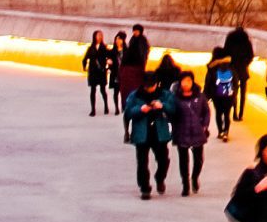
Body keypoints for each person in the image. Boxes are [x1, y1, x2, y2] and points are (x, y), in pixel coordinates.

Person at [124, 65, 172, 199]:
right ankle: (145, 188)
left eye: (151, 85)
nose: (149, 88)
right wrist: (140, 109)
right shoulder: (135, 95)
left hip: (159, 132)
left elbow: (173, 108)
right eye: (146, 86)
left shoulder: (164, 94)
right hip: (142, 133)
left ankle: (159, 177)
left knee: (164, 160)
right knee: (142, 162)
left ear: (157, 84)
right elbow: (128, 111)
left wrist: (162, 106)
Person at [167, 63, 211, 196]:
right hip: (181, 132)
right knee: (183, 160)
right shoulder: (175, 98)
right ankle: (185, 184)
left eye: (189, 81)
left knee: (199, 160)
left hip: (197, 132)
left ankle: (194, 177)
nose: (186, 83)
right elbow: (170, 114)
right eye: (184, 81)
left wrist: (204, 125)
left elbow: (206, 112)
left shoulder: (200, 96)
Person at [222, 20, 256, 118]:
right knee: (243, 92)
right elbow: (251, 55)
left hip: (232, 68)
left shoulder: (230, 40)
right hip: (243, 68)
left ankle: (235, 111)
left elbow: (225, 52)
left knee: (233, 91)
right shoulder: (246, 41)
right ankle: (241, 113)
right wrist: (246, 63)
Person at [83, 30, 114, 116]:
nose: (100, 37)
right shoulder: (91, 48)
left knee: (103, 90)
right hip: (93, 71)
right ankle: (93, 109)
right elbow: (85, 58)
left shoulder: (104, 47)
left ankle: (106, 106)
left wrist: (109, 66)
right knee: (93, 90)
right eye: (98, 35)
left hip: (101, 71)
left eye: (101, 35)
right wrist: (84, 67)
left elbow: (110, 57)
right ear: (94, 37)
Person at [208, 56, 237, 141]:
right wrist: (234, 94)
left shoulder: (214, 70)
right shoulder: (232, 70)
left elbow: (210, 82)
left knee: (218, 114)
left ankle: (220, 132)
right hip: (229, 96)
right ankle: (226, 133)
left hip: (217, 96)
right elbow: (235, 83)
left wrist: (211, 94)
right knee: (227, 115)